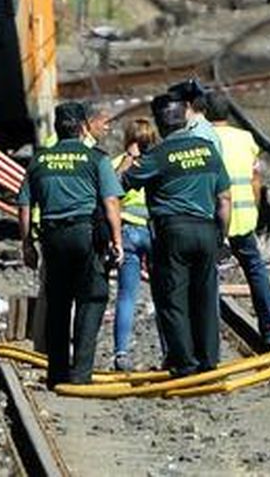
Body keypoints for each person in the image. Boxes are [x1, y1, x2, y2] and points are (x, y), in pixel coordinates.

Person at [121, 93, 230, 378]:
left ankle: (185, 363)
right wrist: (221, 236)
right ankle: (209, 360)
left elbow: (122, 184)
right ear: (185, 116)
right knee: (206, 296)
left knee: (173, 299)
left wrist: (128, 159)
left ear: (159, 123)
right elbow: (225, 200)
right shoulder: (208, 150)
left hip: (173, 232)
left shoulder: (157, 156)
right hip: (207, 229)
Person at [16, 100, 122, 386]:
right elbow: (110, 203)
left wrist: (27, 245)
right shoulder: (97, 159)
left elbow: (24, 207)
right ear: (82, 127)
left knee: (58, 304)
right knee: (92, 298)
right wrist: (117, 240)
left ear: (57, 128)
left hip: (52, 238)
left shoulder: (38, 161)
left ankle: (57, 372)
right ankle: (81, 373)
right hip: (86, 236)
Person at [204, 99, 270, 348]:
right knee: (255, 269)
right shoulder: (245, 138)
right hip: (244, 218)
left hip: (215, 217)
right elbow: (255, 181)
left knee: (208, 274)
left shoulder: (203, 138)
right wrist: (255, 209)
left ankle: (208, 335)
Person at [111, 117, 158, 372]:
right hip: (153, 232)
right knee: (163, 296)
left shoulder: (116, 164)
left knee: (127, 295)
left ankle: (121, 353)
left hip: (127, 232)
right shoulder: (157, 163)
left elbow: (110, 197)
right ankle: (169, 350)